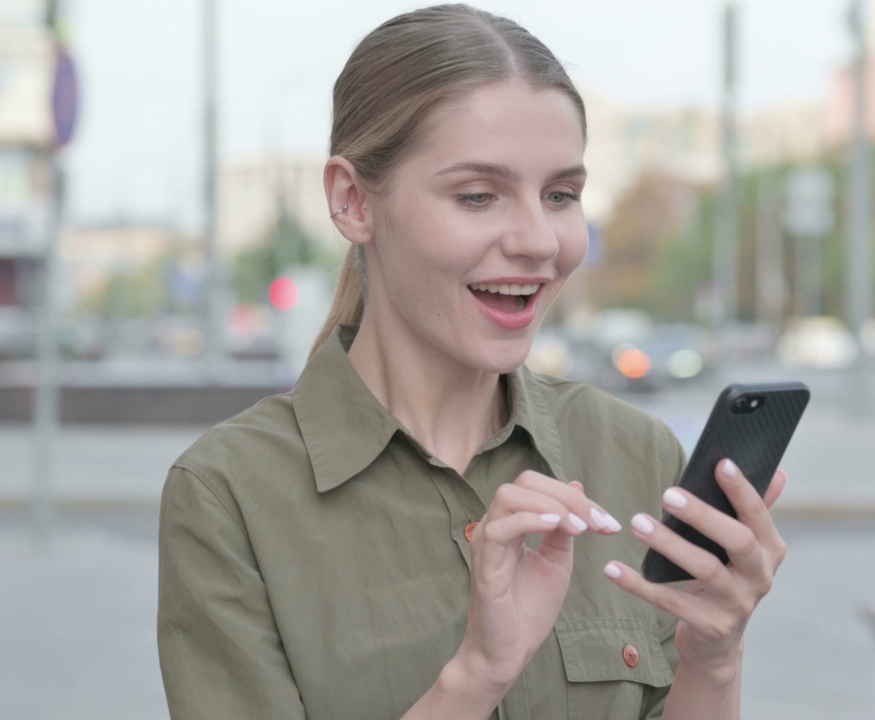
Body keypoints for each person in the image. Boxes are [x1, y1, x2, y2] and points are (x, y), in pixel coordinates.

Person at [157, 5, 788, 719]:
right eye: (479, 195)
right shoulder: (228, 496)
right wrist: (475, 677)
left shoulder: (634, 456)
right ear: (354, 201)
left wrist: (715, 654)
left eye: (561, 195)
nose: (537, 240)